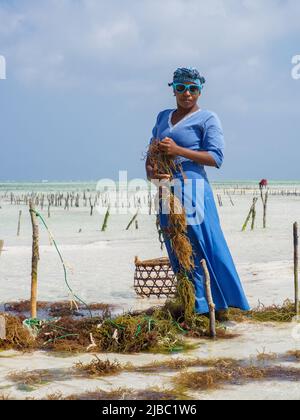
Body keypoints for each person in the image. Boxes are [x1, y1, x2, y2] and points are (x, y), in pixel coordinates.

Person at [146, 67, 250, 314]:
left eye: (193, 88)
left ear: (200, 91)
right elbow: (151, 151)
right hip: (165, 190)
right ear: (172, 89)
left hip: (193, 188)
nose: (187, 93)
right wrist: (151, 173)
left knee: (203, 243)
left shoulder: (208, 119)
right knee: (175, 244)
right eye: (181, 88)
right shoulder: (163, 117)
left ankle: (222, 303)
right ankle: (192, 302)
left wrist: (178, 151)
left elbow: (216, 158)